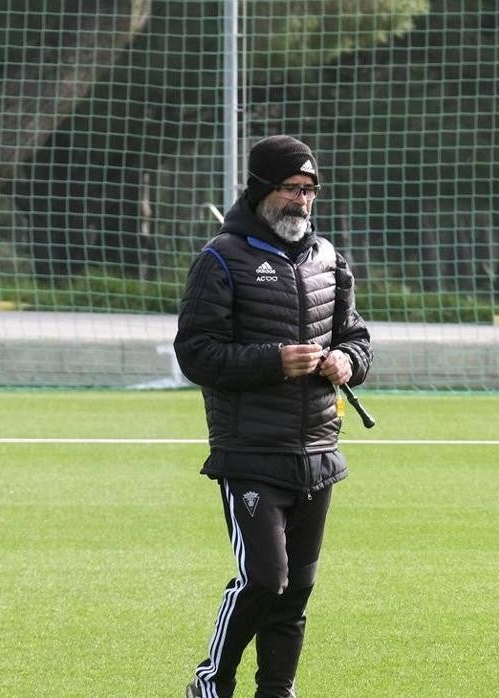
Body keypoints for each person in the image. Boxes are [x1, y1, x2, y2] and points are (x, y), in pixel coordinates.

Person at [174, 135, 372, 698]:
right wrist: (274, 361)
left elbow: (358, 340)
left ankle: (276, 690)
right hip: (251, 452)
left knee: (296, 591)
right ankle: (212, 683)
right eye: (291, 189)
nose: (302, 202)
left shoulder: (331, 260)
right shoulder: (220, 260)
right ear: (262, 191)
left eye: (310, 191)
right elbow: (196, 353)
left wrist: (346, 362)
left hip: (317, 452)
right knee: (265, 578)